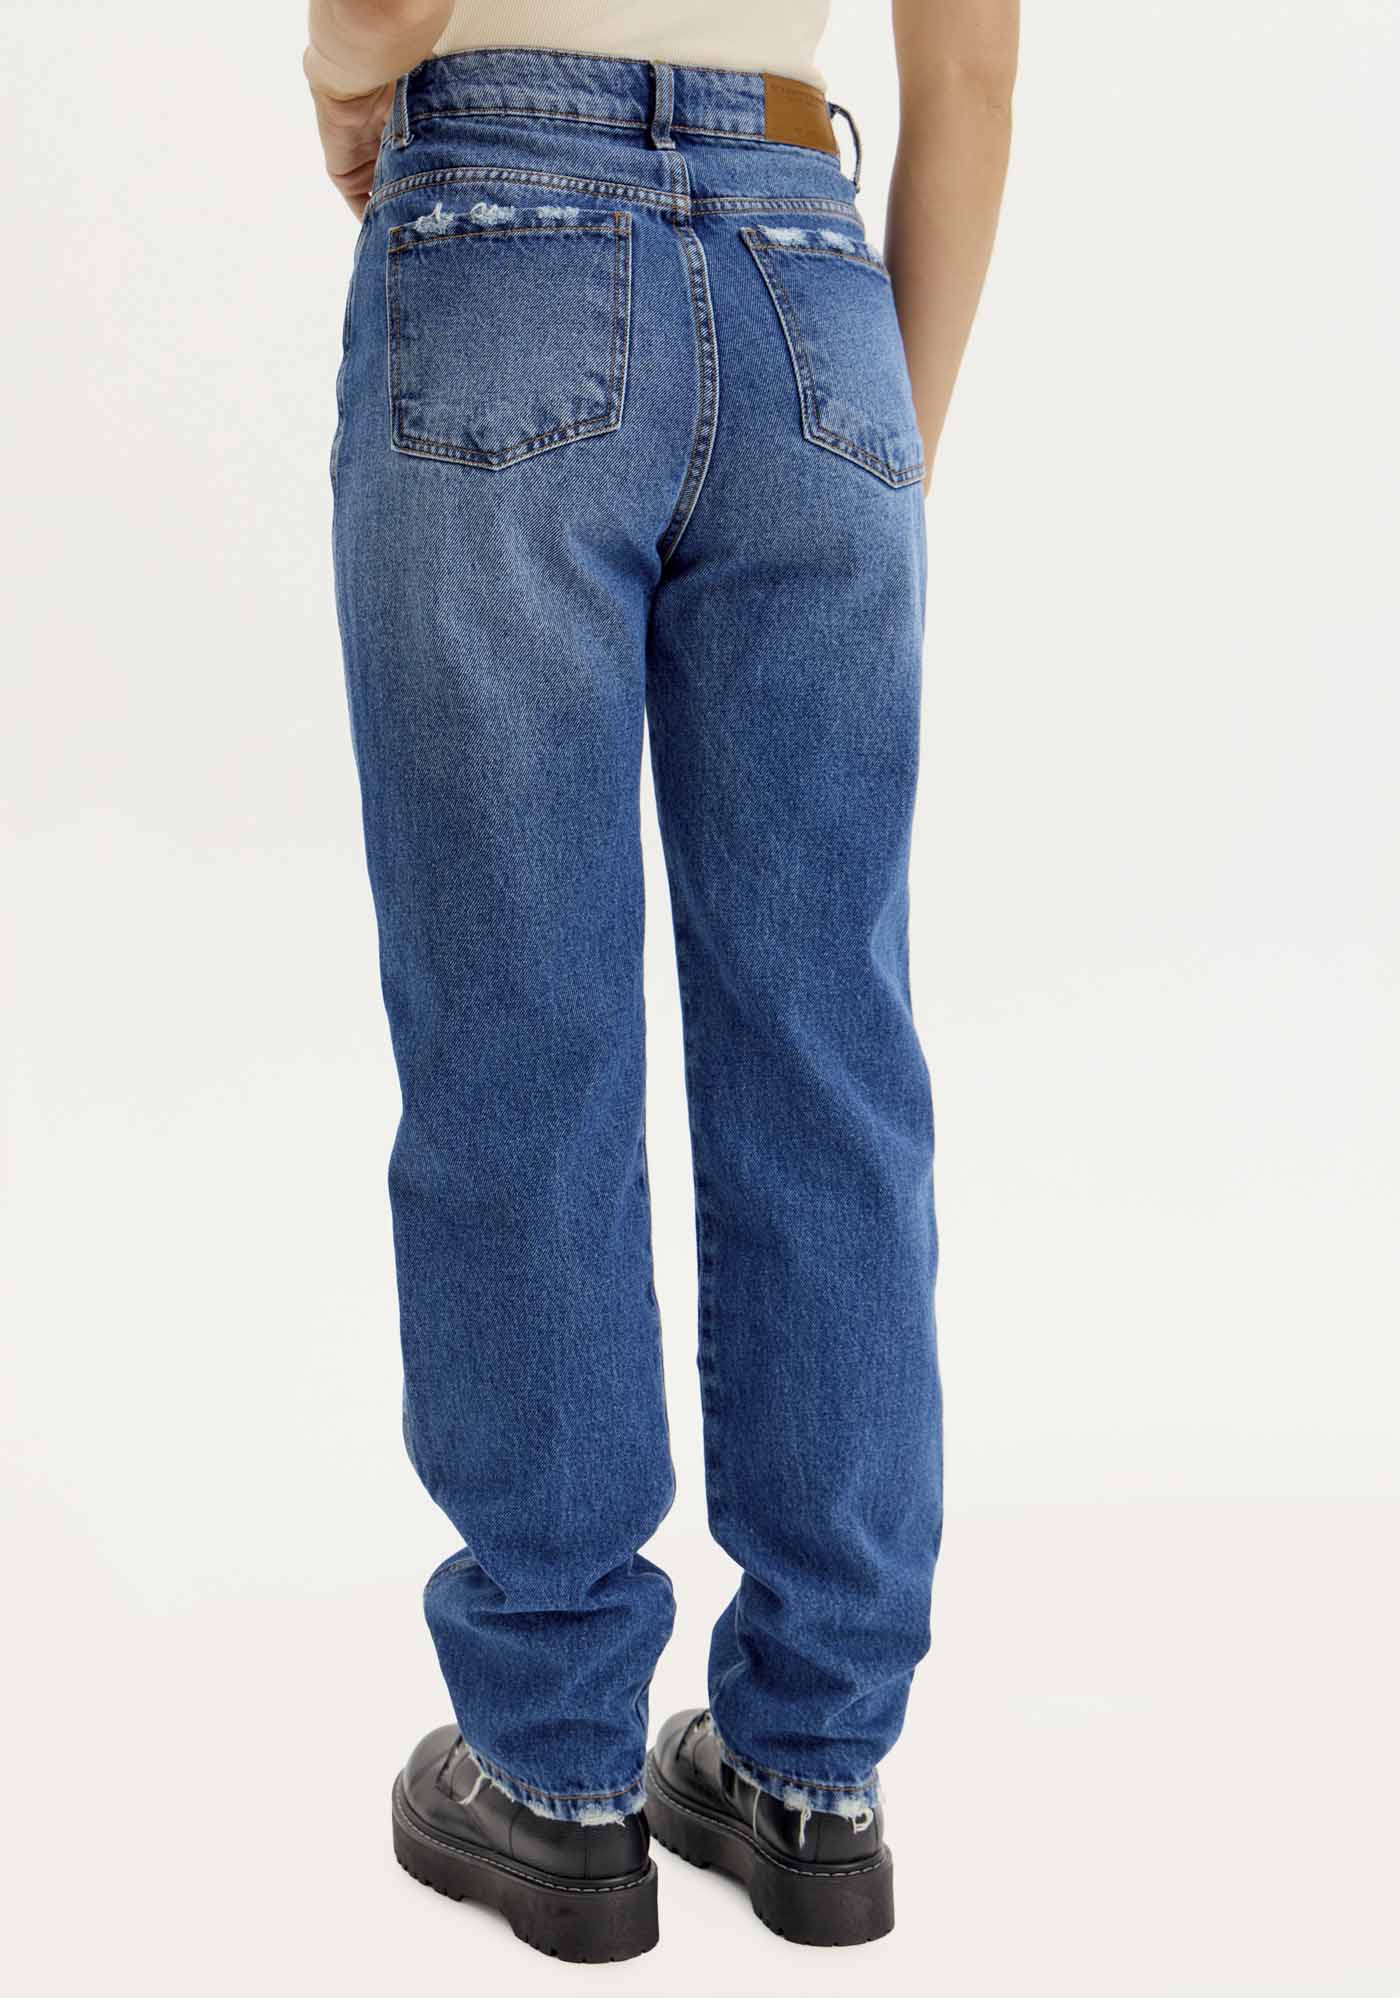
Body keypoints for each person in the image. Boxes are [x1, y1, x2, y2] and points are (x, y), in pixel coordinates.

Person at [307, 0, 1017, 1962]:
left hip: (505, 239)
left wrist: (340, 79)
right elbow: (971, 78)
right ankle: (815, 1767)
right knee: (829, 1060)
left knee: (517, 1043)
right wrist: (873, 461)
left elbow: (383, 7)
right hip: (813, 285)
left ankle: (554, 1771)